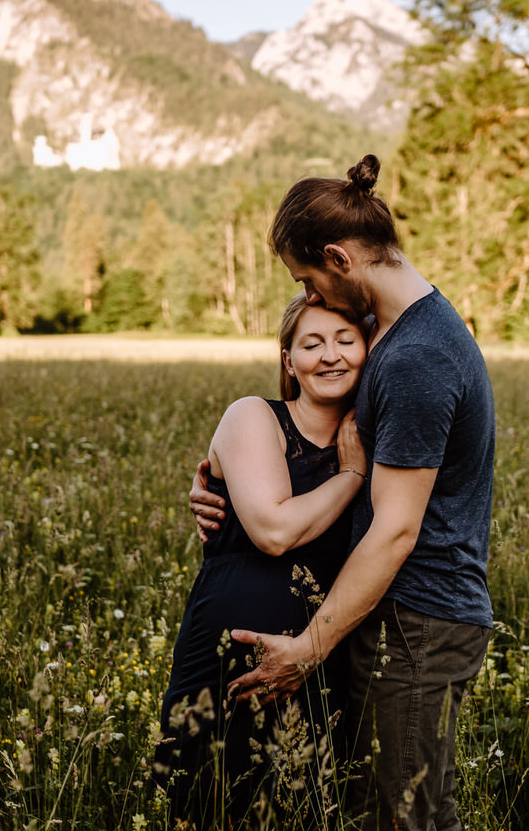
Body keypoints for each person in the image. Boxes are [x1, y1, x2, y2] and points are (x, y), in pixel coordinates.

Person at [190, 154, 495, 831]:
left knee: (398, 817)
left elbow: (397, 529)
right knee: (399, 813)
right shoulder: (393, 332)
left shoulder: (415, 356)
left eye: (309, 280)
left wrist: (309, 647)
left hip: (418, 619)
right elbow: (315, 437)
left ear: (339, 258)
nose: (313, 297)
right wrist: (219, 475)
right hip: (397, 615)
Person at [156, 294, 371, 829]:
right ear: (288, 362)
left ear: (369, 351)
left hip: (318, 658)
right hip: (224, 657)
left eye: (346, 340)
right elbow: (273, 533)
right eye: (312, 344)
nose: (331, 355)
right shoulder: (254, 415)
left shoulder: (378, 437)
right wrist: (351, 476)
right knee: (206, 802)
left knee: (302, 807)